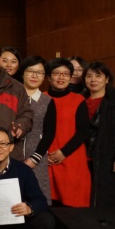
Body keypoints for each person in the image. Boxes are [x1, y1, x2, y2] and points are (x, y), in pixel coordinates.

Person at [45, 58, 92, 207]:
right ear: (48, 77)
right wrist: (41, 154)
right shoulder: (40, 98)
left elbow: (84, 131)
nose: (61, 77)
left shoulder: (78, 100)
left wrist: (63, 152)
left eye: (65, 74)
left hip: (71, 158)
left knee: (73, 209)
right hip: (46, 159)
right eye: (56, 73)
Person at [84, 62, 115, 208]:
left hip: (108, 159)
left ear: (107, 79)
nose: (93, 80)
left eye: (98, 76)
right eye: (89, 76)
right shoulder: (80, 101)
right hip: (82, 160)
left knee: (108, 201)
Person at [17, 56, 54, 204]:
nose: (34, 76)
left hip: (36, 158)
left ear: (44, 77)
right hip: (11, 155)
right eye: (30, 71)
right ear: (22, 73)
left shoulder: (47, 101)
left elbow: (49, 133)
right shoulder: (12, 96)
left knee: (37, 201)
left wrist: (35, 158)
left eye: (39, 73)